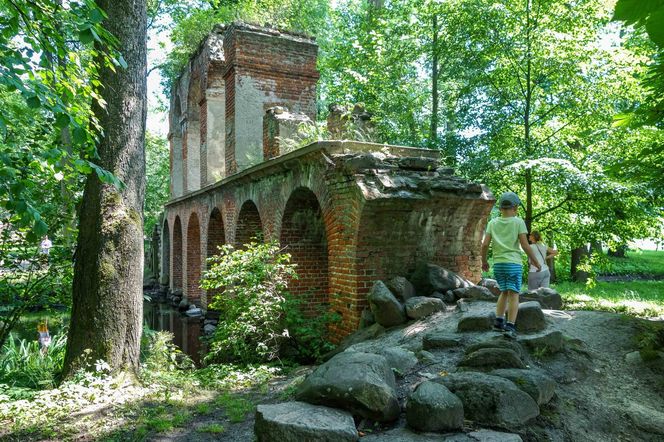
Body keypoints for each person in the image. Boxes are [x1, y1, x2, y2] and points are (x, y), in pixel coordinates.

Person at [481, 192, 541, 338]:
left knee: (504, 292)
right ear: (515, 207)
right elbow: (525, 245)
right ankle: (510, 326)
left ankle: (498, 322)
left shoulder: (492, 223)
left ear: (501, 208)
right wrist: (535, 261)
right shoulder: (518, 222)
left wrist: (484, 261)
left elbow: (485, 245)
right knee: (514, 294)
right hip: (513, 263)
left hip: (499, 264)